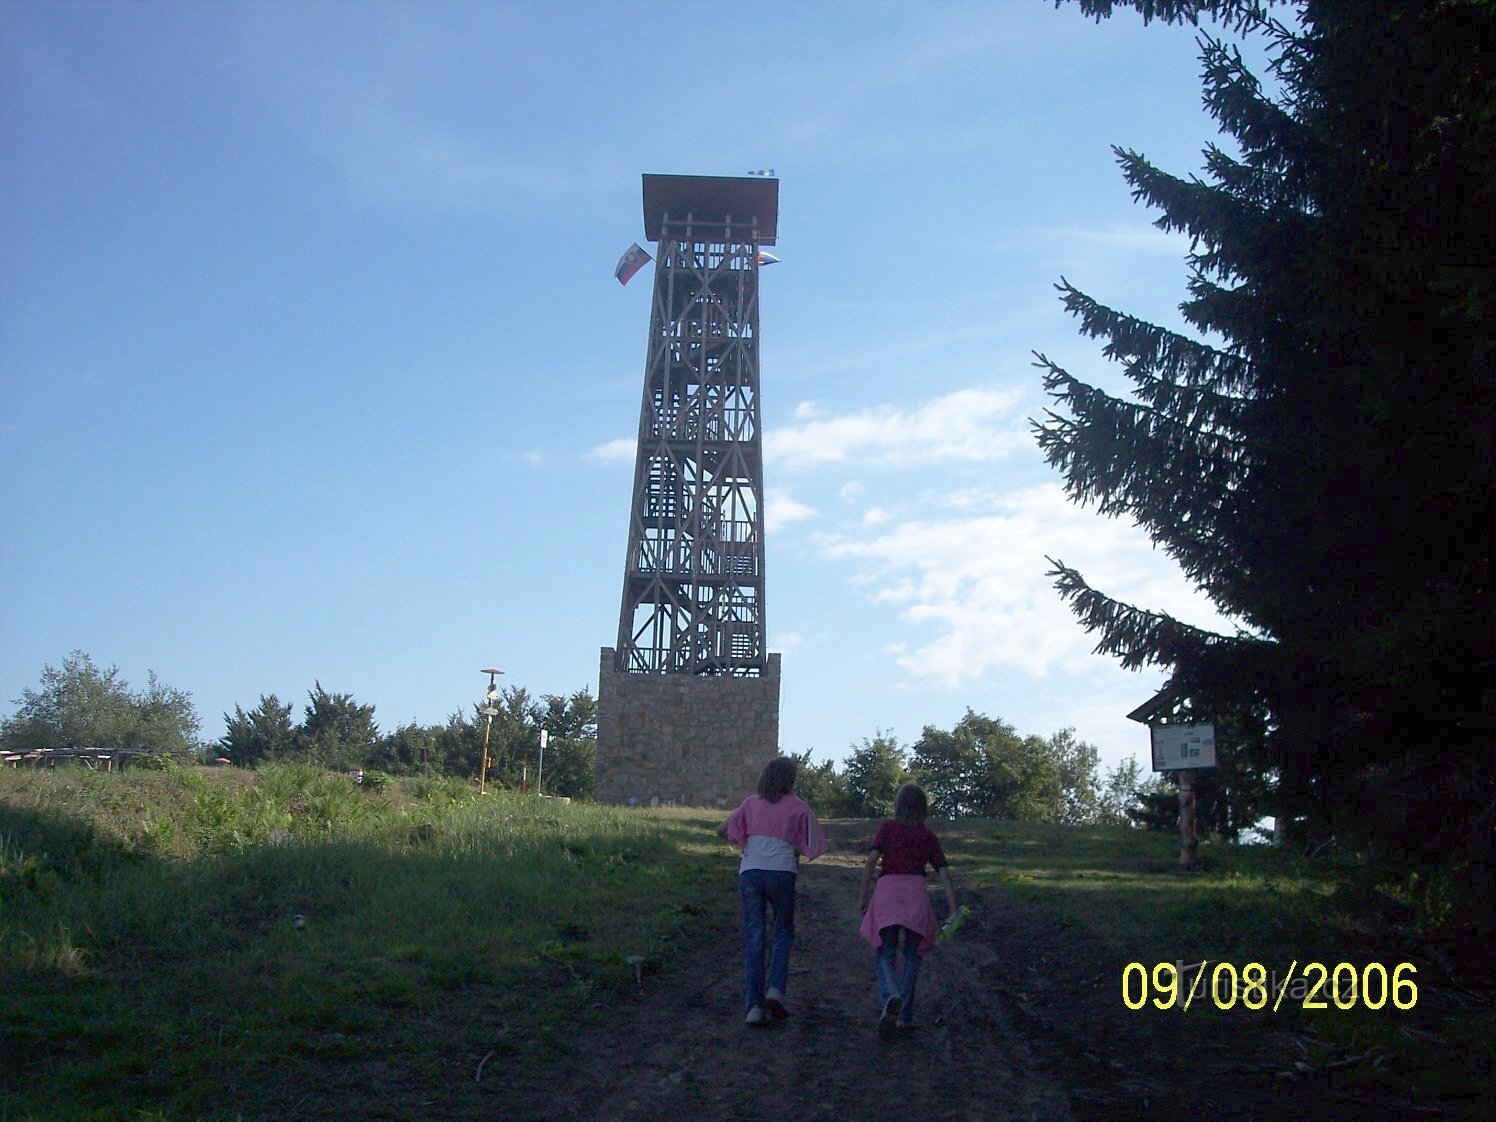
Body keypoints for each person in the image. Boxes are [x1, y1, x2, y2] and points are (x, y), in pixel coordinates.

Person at [716, 756, 827, 1026]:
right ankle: (775, 989)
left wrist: (745, 843)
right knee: (783, 931)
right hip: (782, 872)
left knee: (754, 937)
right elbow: (815, 844)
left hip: (751, 872)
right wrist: (794, 847)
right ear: (791, 780)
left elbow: (722, 830)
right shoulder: (799, 807)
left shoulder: (750, 803)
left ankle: (753, 1007)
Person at [856, 782, 957, 1040]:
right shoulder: (928, 836)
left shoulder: (888, 828)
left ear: (898, 805)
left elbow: (870, 862)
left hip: (888, 893)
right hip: (916, 896)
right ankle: (905, 1016)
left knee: (884, 954)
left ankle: (891, 994)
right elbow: (944, 873)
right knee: (913, 957)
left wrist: (863, 897)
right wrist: (954, 909)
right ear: (923, 809)